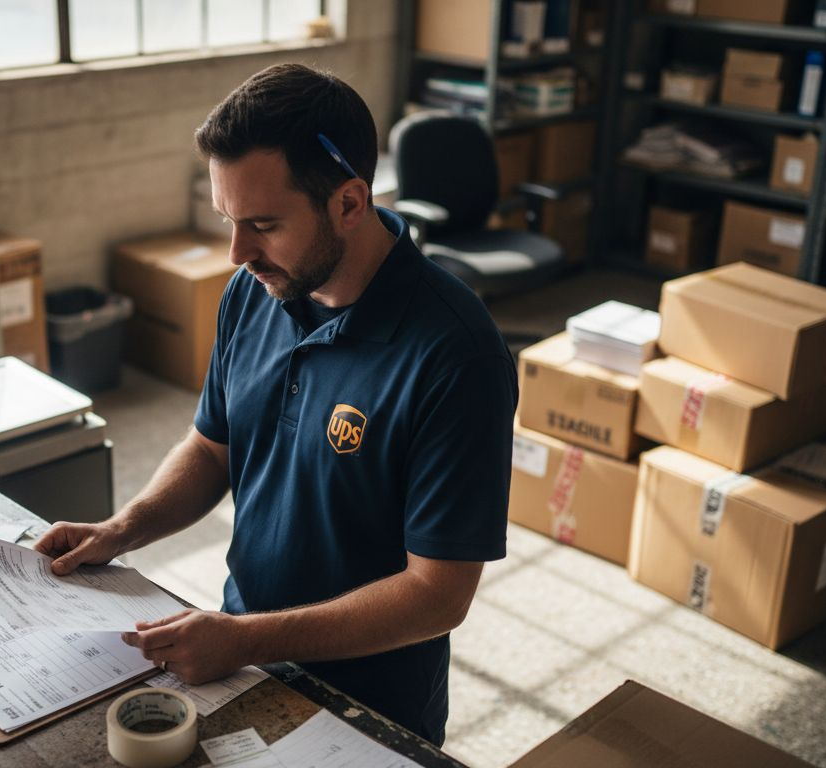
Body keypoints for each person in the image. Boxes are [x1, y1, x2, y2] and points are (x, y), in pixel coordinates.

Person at [34, 63, 516, 745]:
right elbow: (211, 447)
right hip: (242, 666)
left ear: (349, 203)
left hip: (369, 713)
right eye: (228, 220)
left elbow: (437, 595)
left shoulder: (455, 355)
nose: (237, 252)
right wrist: (124, 527)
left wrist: (243, 640)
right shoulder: (258, 290)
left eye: (262, 223)